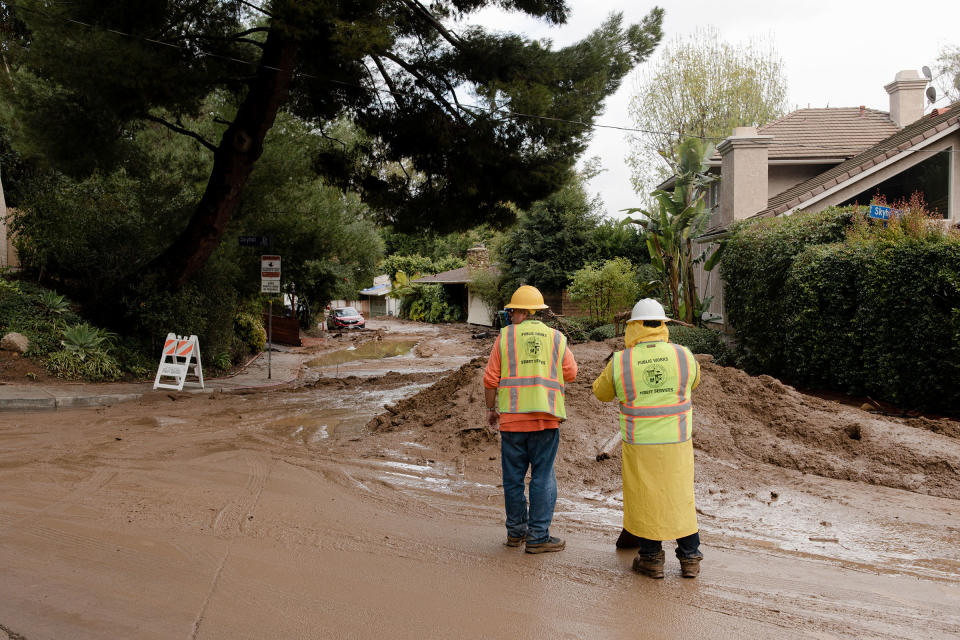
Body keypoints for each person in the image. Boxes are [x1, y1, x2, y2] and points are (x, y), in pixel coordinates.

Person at [591, 298, 703, 578]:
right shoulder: (683, 355)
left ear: (634, 327)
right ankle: (690, 558)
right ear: (663, 325)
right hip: (677, 442)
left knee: (645, 499)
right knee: (680, 498)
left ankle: (652, 559)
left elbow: (600, 393)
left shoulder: (622, 361)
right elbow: (695, 381)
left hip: (640, 445)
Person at [484, 285, 578, 554]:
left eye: (512, 311)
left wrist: (491, 410)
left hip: (513, 421)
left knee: (513, 478)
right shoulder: (557, 338)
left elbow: (490, 379)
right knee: (543, 477)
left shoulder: (505, 338)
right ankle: (538, 536)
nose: (510, 315)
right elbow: (571, 373)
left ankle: (516, 533)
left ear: (521, 312)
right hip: (546, 419)